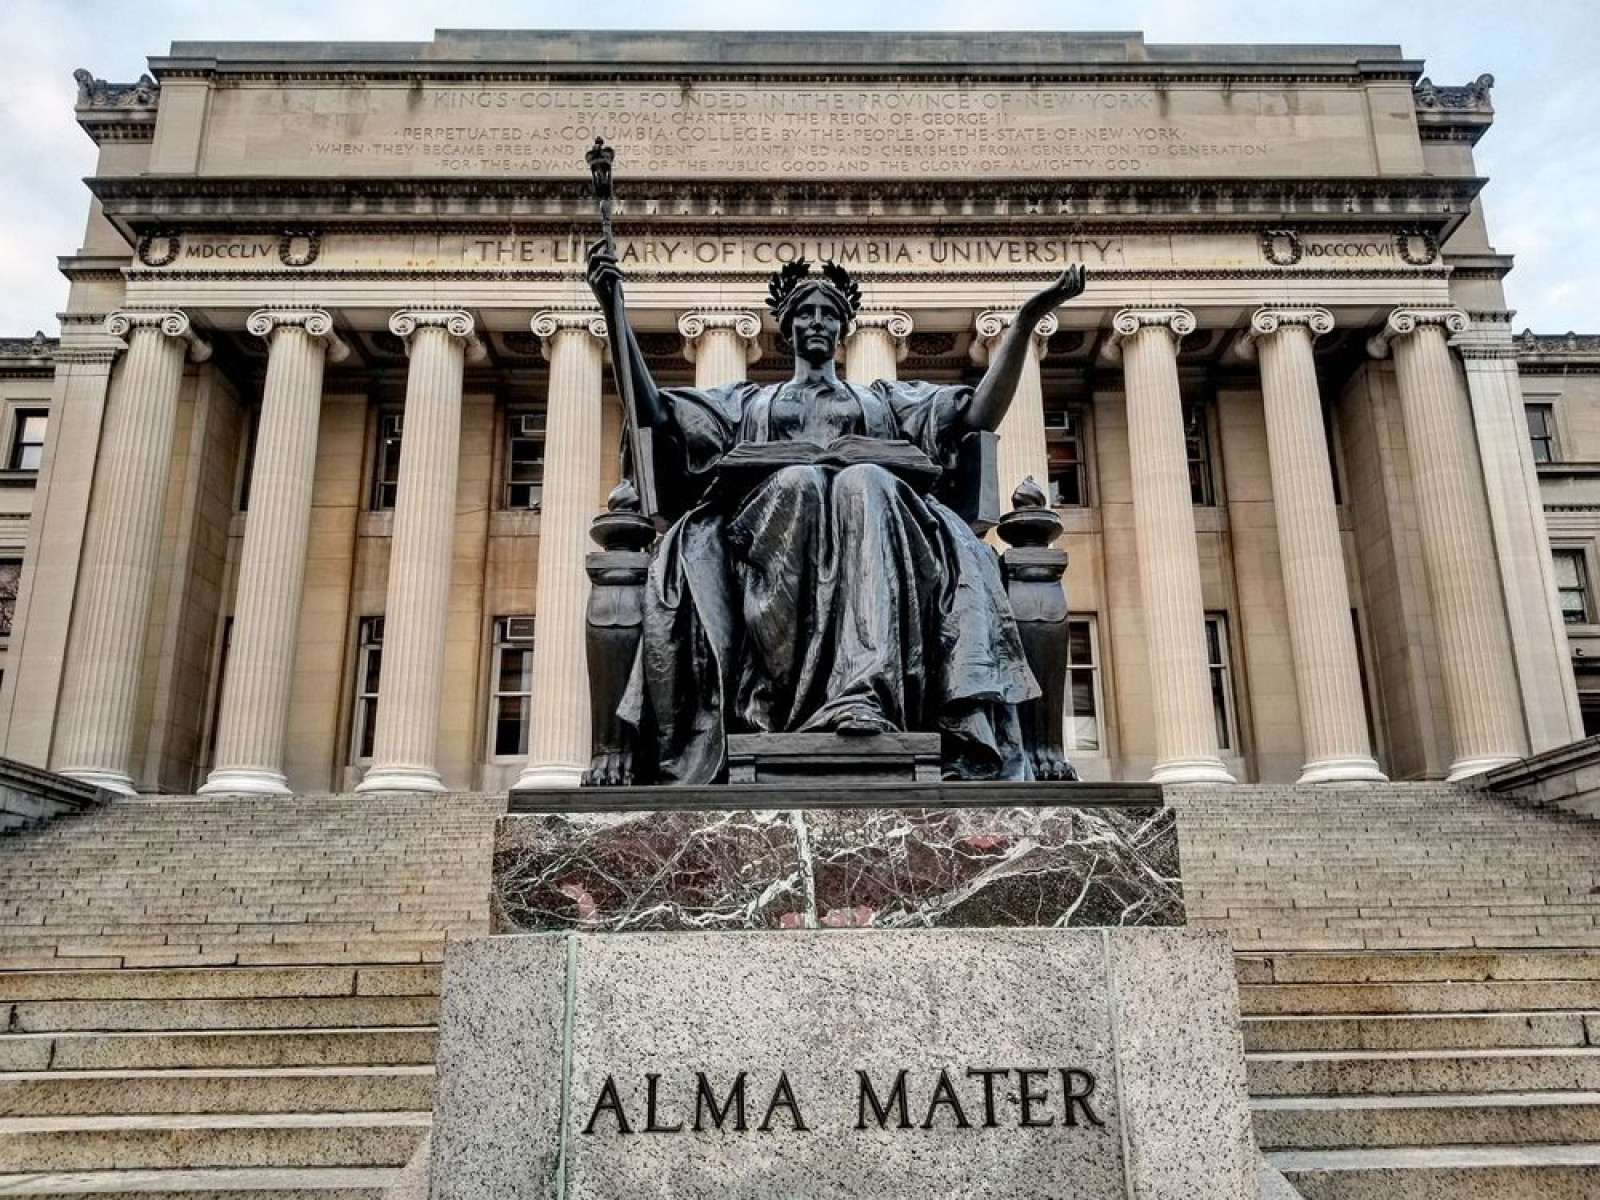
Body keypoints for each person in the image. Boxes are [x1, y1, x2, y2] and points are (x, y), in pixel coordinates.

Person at [587, 242, 1086, 784]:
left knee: (864, 481)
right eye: (806, 312)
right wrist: (613, 308)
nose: (818, 322)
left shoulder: (883, 402)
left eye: (829, 313)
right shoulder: (749, 403)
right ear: (787, 326)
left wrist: (1026, 321)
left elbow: (977, 412)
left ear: (844, 328)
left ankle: (863, 694)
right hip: (771, 533)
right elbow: (654, 411)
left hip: (880, 530)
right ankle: (774, 702)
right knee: (800, 482)